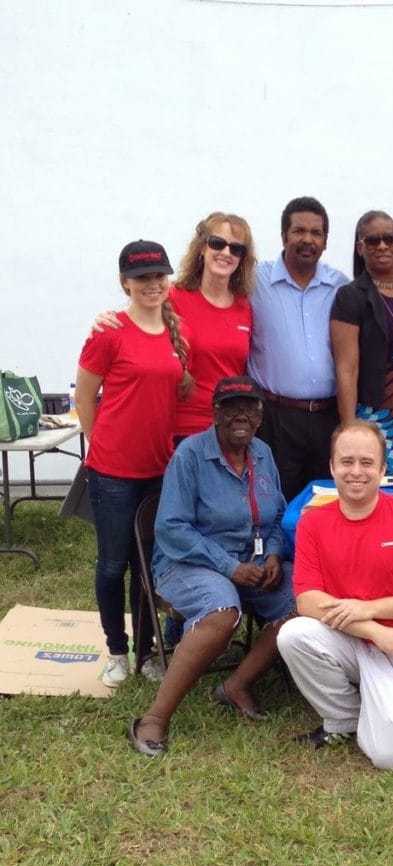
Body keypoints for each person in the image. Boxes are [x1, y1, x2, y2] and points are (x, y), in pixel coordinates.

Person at [127, 377, 297, 756]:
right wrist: (228, 567)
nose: (241, 415)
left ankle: (236, 684)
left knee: (305, 600)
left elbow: (275, 516)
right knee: (222, 611)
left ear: (260, 415)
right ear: (215, 413)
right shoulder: (190, 456)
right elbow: (171, 529)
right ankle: (153, 718)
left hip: (251, 562)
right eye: (231, 406)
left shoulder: (263, 454)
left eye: (250, 407)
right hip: (187, 563)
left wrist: (271, 553)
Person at [278, 421, 393, 770]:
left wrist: (369, 608)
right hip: (360, 640)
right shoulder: (313, 522)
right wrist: (374, 628)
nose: (356, 472)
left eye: (366, 462)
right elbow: (307, 601)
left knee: (390, 757)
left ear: (382, 469)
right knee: (294, 635)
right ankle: (344, 720)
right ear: (332, 467)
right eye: (346, 462)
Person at [75, 240, 192, 688]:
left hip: (158, 469)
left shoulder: (176, 332)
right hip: (112, 471)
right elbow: (85, 398)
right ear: (125, 282)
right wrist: (102, 446)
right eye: (143, 277)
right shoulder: (107, 332)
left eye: (159, 276)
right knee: (112, 564)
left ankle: (146, 651)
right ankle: (117, 650)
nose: (153, 284)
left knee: (148, 567)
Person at [90, 212, 257, 444]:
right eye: (217, 243)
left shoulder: (244, 307)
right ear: (202, 248)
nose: (226, 252)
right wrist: (105, 319)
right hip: (182, 431)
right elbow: (136, 322)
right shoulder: (173, 297)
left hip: (228, 430)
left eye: (236, 248)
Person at [248, 196, 350, 500]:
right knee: (276, 502)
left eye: (316, 233)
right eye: (299, 231)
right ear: (283, 236)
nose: (308, 240)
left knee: (326, 501)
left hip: (327, 416)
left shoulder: (340, 285)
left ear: (326, 241)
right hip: (275, 417)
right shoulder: (254, 281)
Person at [329, 210, 393, 475]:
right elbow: (346, 368)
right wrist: (350, 429)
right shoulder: (350, 297)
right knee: (376, 489)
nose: (383, 246)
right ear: (360, 248)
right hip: (374, 415)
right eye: (373, 241)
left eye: (389, 238)